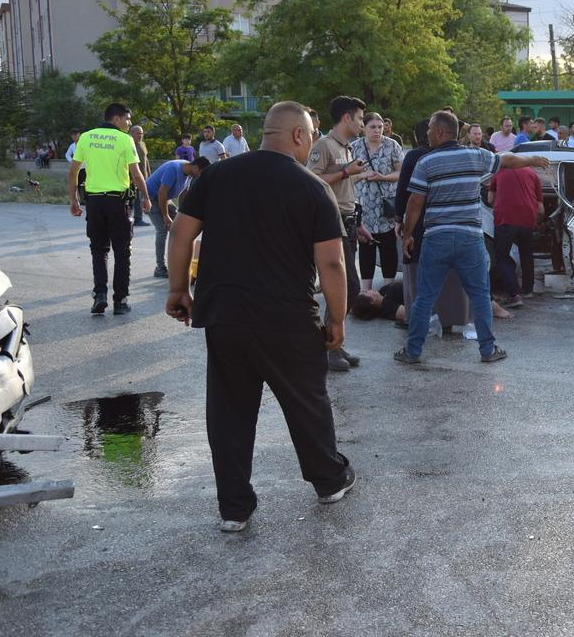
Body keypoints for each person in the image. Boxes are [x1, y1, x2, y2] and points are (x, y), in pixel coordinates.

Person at [164, 101, 356, 532]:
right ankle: (328, 480)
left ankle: (235, 508)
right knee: (306, 402)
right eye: (309, 136)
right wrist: (337, 317)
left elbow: (180, 231)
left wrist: (178, 289)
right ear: (299, 136)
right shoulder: (312, 188)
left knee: (229, 410)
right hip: (287, 317)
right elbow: (331, 265)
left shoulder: (217, 175)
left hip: (225, 315)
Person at [397, 111, 550, 364]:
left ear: (439, 132)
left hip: (437, 238)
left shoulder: (425, 162)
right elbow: (508, 160)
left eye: (429, 131)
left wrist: (408, 235)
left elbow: (414, 203)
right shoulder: (476, 155)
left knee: (424, 297)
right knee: (479, 295)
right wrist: (533, 158)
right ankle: (487, 350)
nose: (426, 135)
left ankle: (413, 352)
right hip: (470, 239)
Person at [67, 104, 151, 315]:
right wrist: (146, 197)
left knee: (99, 251)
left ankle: (100, 296)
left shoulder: (86, 137)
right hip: (118, 203)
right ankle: (120, 301)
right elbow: (136, 173)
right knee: (122, 253)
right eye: (127, 119)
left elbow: (73, 171)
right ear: (116, 119)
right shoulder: (125, 139)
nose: (129, 123)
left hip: (94, 204)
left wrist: (73, 199)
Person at [306, 96, 367, 371]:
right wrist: (345, 172)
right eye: (360, 119)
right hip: (332, 223)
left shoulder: (346, 147)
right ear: (346, 118)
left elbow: (345, 187)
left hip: (349, 221)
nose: (362, 124)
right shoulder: (324, 145)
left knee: (345, 287)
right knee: (348, 286)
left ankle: (334, 344)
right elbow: (311, 180)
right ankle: (328, 346)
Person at [350, 112, 404, 291]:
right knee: (366, 247)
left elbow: (400, 173)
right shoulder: (354, 147)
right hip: (363, 206)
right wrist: (362, 175)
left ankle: (387, 288)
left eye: (380, 127)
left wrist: (384, 177)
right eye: (372, 127)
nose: (377, 131)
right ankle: (366, 290)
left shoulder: (392, 146)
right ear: (364, 127)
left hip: (385, 206)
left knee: (388, 246)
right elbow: (347, 177)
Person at [489, 160, 544, 308]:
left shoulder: (498, 173)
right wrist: (536, 222)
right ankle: (528, 290)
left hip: (505, 220)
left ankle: (514, 294)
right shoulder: (532, 173)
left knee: (502, 256)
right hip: (527, 221)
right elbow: (541, 208)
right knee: (526, 254)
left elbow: (489, 199)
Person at [147, 157, 210, 278]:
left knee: (181, 226)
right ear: (196, 167)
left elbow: (184, 192)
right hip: (151, 197)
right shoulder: (173, 168)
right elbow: (162, 193)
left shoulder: (189, 173)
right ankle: (160, 268)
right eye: (201, 173)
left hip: (166, 199)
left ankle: (178, 264)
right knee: (162, 230)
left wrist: (182, 212)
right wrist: (165, 216)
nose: (201, 177)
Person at [131, 125, 151, 226]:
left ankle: (139, 217)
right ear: (132, 133)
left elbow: (146, 160)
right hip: (133, 177)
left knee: (141, 197)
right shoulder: (129, 144)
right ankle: (137, 219)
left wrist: (149, 174)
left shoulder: (142, 144)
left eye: (142, 133)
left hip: (144, 176)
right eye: (138, 133)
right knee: (135, 199)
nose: (140, 135)